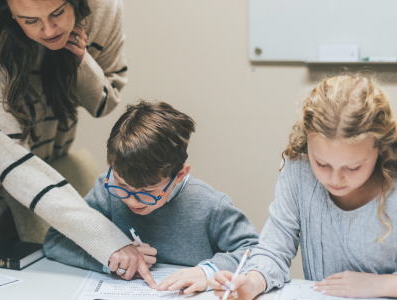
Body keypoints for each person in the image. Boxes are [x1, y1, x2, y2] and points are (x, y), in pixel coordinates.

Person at [0, 0, 154, 285]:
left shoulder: (104, 8)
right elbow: (12, 161)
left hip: (40, 169)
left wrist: (81, 62)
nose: (48, 29)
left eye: (57, 13)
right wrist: (107, 240)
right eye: (30, 20)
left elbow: (105, 102)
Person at [210, 74, 397, 299]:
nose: (335, 180)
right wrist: (252, 281)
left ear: (381, 149)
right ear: (307, 144)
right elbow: (275, 247)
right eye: (322, 163)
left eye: (353, 167)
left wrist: (381, 285)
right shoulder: (298, 167)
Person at [44, 101, 259, 293]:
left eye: (147, 192)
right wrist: (108, 253)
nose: (131, 200)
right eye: (121, 185)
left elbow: (256, 251)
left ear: (180, 174)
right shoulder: (106, 191)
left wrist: (208, 271)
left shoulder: (210, 205)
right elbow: (56, 240)